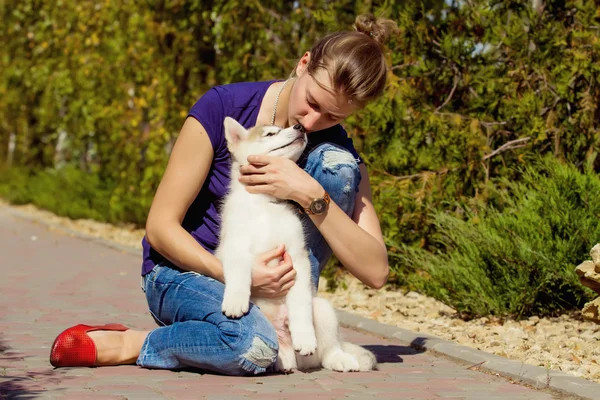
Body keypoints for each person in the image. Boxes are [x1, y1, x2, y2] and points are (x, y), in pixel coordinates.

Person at [49, 14, 397, 375]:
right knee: (251, 346)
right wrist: (238, 275)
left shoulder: (338, 151)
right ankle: (135, 343)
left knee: (338, 164)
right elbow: (159, 227)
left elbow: (375, 272)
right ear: (303, 64)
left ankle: (288, 331)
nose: (309, 123)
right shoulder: (223, 108)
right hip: (186, 272)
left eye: (332, 116)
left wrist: (309, 193)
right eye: (311, 101)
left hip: (282, 294)